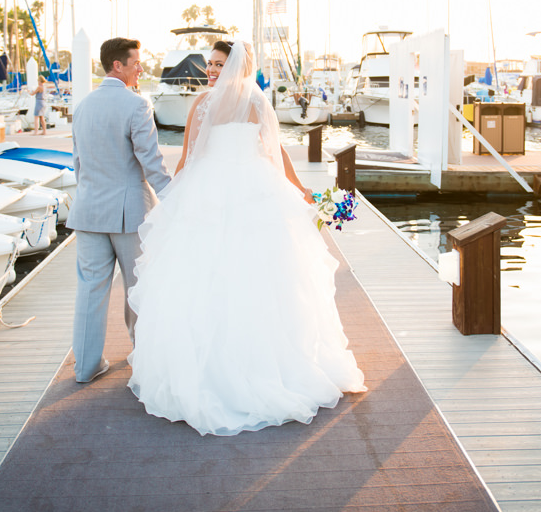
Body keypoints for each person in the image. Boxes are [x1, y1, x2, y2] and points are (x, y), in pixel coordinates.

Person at [127, 39, 365, 435]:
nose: (212, 71)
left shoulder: (210, 103)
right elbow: (193, 156)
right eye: (209, 65)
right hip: (245, 187)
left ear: (235, 65)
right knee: (218, 279)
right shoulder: (247, 101)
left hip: (224, 189)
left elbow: (270, 153)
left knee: (255, 278)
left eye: (218, 64)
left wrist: (302, 189)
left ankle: (255, 367)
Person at [67, 38, 172, 383]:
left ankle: (85, 367)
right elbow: (151, 162)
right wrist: (174, 198)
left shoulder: (82, 106)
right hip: (129, 213)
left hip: (88, 211)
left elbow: (79, 164)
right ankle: (142, 358)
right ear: (118, 65)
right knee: (137, 287)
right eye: (136, 63)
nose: (141, 68)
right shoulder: (136, 105)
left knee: (90, 290)